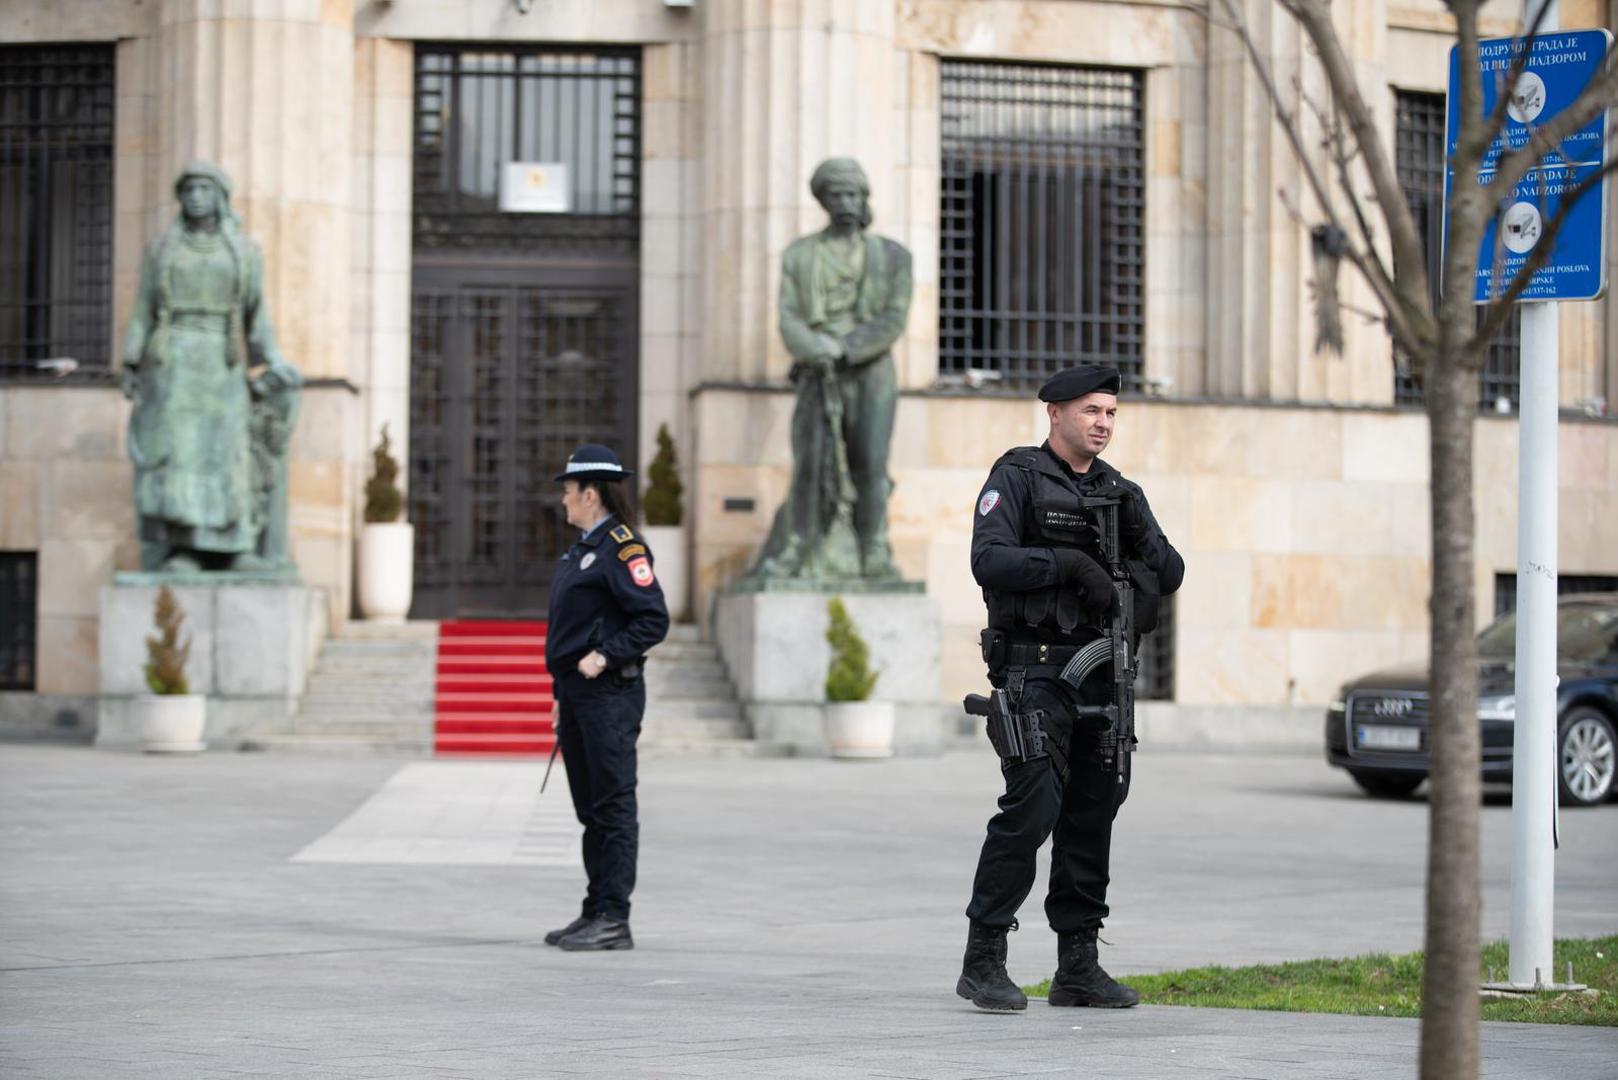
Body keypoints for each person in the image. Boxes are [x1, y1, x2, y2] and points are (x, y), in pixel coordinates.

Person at [957, 365, 1185, 1011]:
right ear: (1054, 413)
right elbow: (988, 559)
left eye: (1110, 413)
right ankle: (983, 958)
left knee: (1092, 813)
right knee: (1031, 808)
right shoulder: (1018, 476)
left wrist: (1139, 543)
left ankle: (1078, 967)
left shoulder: (1120, 491)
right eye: (1091, 410)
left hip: (1104, 678)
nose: (1103, 423)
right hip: (1035, 675)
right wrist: (1068, 563)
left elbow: (1170, 572)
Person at [121, 160, 303, 573]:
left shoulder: (244, 252)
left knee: (226, 455)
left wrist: (274, 360)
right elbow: (143, 310)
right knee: (179, 455)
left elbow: (258, 316)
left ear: (220, 196)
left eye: (204, 189)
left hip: (223, 363)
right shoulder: (162, 250)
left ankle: (234, 548)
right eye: (188, 190)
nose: (196, 198)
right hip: (172, 363)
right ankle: (184, 549)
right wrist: (131, 361)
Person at [749, 157, 913, 582]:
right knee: (810, 464)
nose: (845, 202)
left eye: (852, 194)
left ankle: (874, 548)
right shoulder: (800, 255)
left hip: (871, 372)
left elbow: (893, 319)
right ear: (823, 201)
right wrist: (816, 348)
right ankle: (799, 545)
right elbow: (789, 318)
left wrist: (843, 349)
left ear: (864, 197)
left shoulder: (893, 257)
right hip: (817, 372)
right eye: (836, 195)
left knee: (870, 462)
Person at [543, 444, 670, 952]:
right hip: (578, 694)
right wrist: (561, 692)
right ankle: (594, 909)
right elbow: (569, 630)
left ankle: (615, 918)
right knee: (589, 809)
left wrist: (604, 656)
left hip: (609, 694)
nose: (564, 500)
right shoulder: (582, 551)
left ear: (590, 494)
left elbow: (653, 618)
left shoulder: (623, 549)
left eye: (569, 491)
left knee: (613, 806)